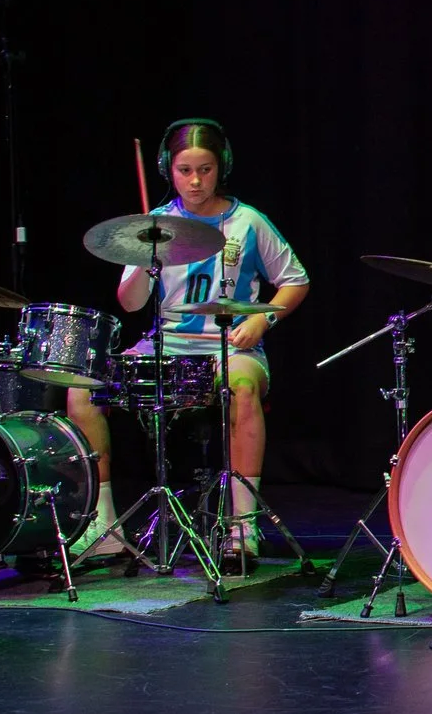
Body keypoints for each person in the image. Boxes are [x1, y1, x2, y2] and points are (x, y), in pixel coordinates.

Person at [68, 118, 309, 560]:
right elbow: (130, 302)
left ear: (222, 168)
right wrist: (144, 257)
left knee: (241, 387)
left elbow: (295, 281)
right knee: (82, 391)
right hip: (166, 348)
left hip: (230, 348)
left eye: (205, 169)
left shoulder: (247, 222)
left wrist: (262, 322)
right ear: (167, 170)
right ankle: (103, 527)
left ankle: (242, 527)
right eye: (184, 170)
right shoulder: (156, 222)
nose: (195, 181)